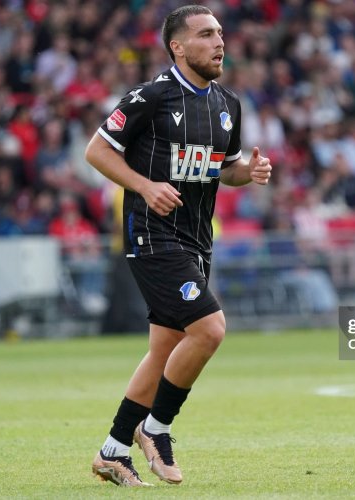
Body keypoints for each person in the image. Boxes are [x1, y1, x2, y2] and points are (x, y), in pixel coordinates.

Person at [84, 5, 272, 487]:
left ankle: (112, 451)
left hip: (197, 239)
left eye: (220, 34)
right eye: (206, 34)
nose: (219, 42)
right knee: (209, 330)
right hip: (152, 233)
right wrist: (145, 186)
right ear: (178, 47)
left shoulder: (228, 103)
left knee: (165, 348)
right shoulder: (151, 96)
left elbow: (222, 169)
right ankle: (157, 429)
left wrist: (245, 175)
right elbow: (97, 150)